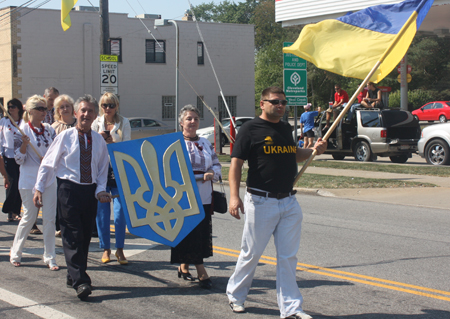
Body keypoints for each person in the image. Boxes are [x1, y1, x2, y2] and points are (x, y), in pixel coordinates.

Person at [226, 87, 327, 319]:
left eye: (283, 102)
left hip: (289, 202)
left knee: (288, 257)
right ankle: (236, 295)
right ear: (262, 104)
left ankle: (291, 308)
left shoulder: (284, 127)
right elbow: (236, 164)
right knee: (251, 253)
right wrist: (234, 196)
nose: (280, 105)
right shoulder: (250, 129)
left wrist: (314, 150)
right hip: (261, 200)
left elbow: (292, 154)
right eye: (275, 102)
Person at [33, 94, 111, 300]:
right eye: (82, 110)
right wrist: (39, 188)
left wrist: (100, 189)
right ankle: (81, 281)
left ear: (95, 115)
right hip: (68, 190)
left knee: (85, 235)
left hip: (89, 191)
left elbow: (103, 169)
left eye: (90, 111)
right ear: (76, 114)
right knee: (72, 234)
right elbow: (48, 163)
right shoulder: (65, 137)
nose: (86, 114)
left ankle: (72, 274)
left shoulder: (98, 141)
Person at [170, 104, 222, 289]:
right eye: (189, 119)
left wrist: (212, 174)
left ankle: (184, 266)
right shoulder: (175, 143)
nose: (192, 122)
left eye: (195, 119)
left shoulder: (205, 143)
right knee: (187, 232)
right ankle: (201, 271)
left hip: (204, 195)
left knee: (199, 233)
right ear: (181, 122)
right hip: (182, 196)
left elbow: (217, 164)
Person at [9, 95, 58, 269]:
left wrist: (50, 159)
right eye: (40, 108)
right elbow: (18, 160)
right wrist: (23, 145)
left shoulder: (50, 130)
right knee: (29, 217)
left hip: (49, 179)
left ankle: (50, 256)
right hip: (29, 180)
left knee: (50, 219)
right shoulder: (20, 131)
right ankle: (16, 252)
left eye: (45, 109)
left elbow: (56, 151)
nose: (44, 112)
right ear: (30, 111)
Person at [91, 92, 131, 265]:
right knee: (102, 212)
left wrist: (111, 141)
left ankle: (120, 249)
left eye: (111, 105)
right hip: (101, 170)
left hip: (118, 170)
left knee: (120, 213)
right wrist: (100, 139)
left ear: (117, 106)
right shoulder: (96, 123)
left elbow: (127, 147)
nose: (108, 109)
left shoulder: (124, 122)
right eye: (104, 105)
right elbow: (90, 146)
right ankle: (106, 248)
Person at [51, 94, 77, 237]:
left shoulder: (80, 124)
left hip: (78, 169)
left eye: (67, 106)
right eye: (62, 107)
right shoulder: (53, 128)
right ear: (57, 110)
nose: (65, 109)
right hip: (60, 170)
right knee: (61, 200)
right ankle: (60, 226)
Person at [0, 99, 24, 222]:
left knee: (20, 184)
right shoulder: (4, 122)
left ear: (19, 108)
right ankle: (9, 209)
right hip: (8, 157)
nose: (10, 108)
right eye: (9, 107)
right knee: (12, 182)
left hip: (21, 156)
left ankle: (15, 211)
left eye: (13, 106)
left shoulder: (24, 122)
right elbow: (1, 139)